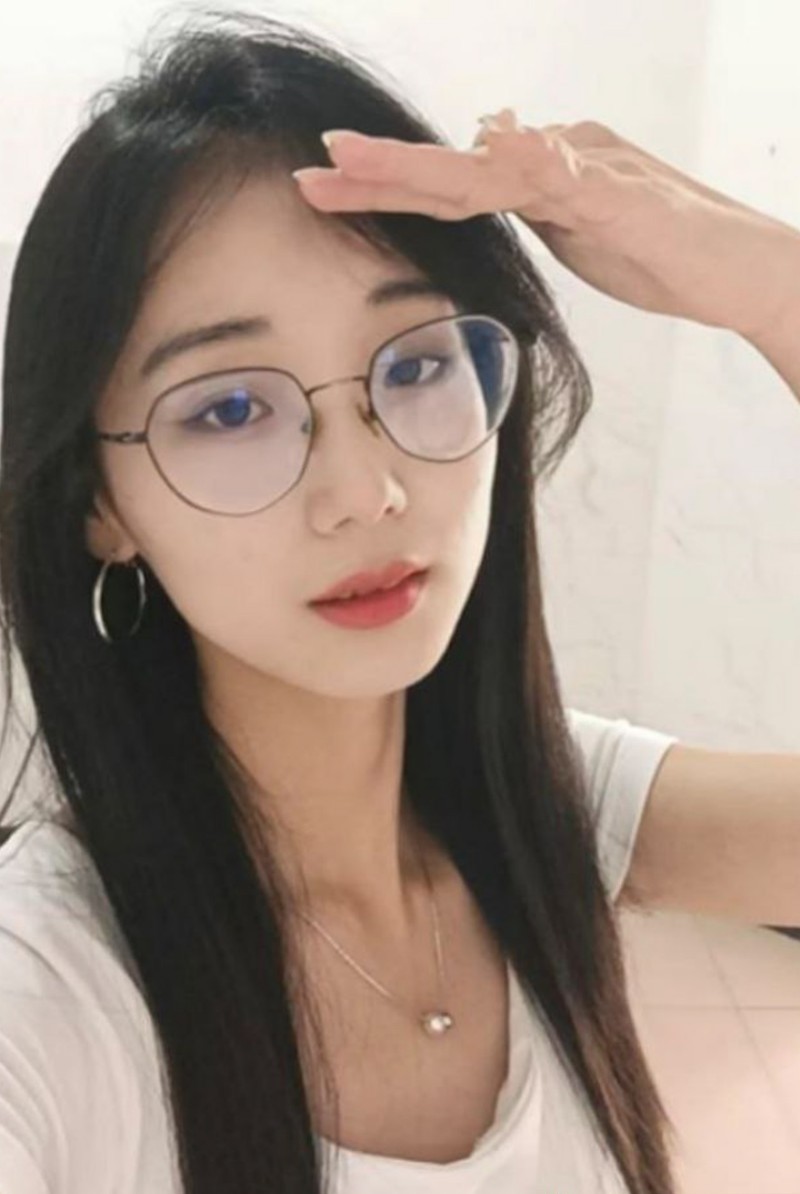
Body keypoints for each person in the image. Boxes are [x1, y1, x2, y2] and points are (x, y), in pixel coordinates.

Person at [0, 11, 797, 1194]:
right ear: (99, 506)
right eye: (229, 409)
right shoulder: (48, 995)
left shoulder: (541, 808)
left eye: (416, 363)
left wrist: (774, 290)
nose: (365, 492)